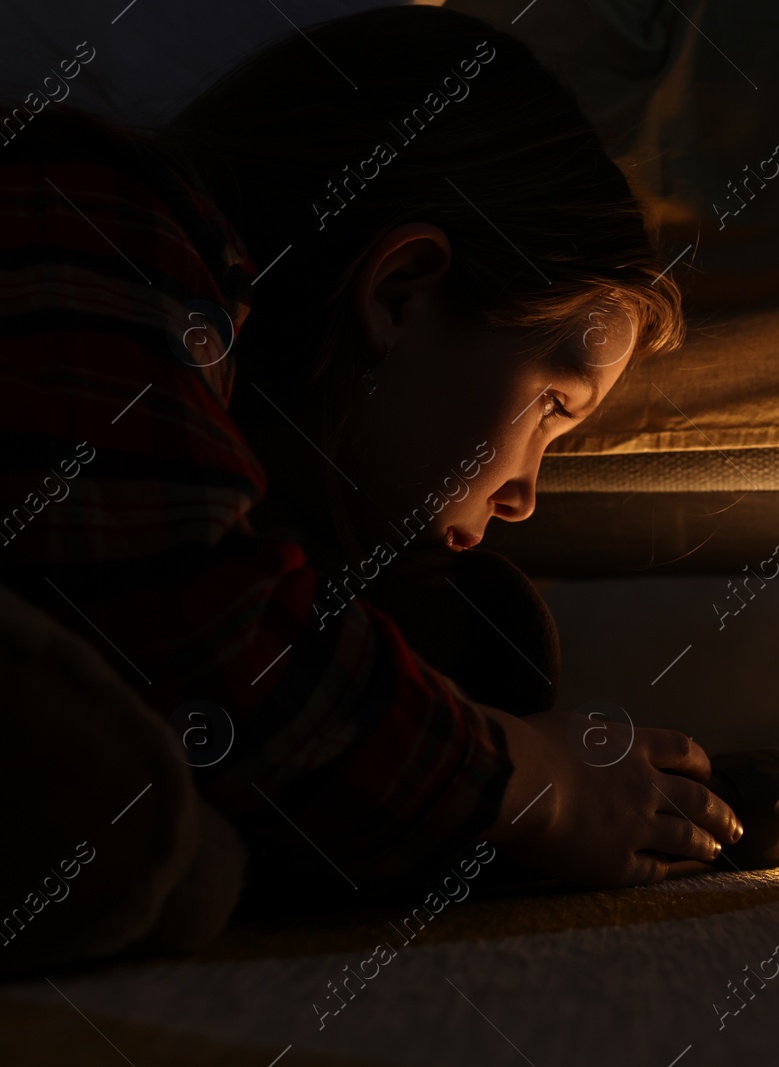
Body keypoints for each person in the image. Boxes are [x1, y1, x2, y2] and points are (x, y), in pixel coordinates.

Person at [0, 5, 740, 970]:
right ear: (402, 294)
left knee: (483, 643)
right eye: (555, 405)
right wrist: (531, 784)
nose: (525, 497)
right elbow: (211, 642)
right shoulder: (85, 213)